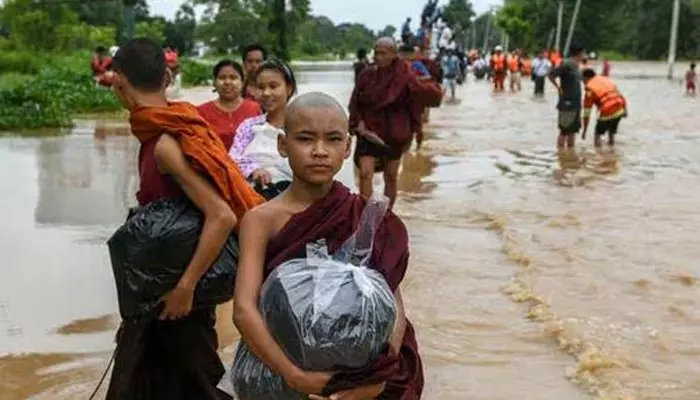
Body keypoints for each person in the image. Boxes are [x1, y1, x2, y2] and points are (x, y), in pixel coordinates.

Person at [233, 92, 424, 400]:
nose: (319, 151)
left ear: (348, 147)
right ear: (283, 145)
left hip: (361, 371)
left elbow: (392, 304)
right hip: (283, 369)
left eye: (333, 140)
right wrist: (294, 375)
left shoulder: (367, 216)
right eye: (306, 139)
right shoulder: (260, 219)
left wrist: (378, 375)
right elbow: (243, 310)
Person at [105, 38, 264, 400]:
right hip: (159, 295)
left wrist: (186, 288)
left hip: (181, 297)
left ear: (118, 83)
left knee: (198, 384)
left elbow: (221, 216)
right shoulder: (165, 128)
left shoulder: (166, 142)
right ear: (166, 76)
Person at [349, 37, 423, 206]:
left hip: (394, 133)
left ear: (394, 55)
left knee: (390, 176)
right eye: (376, 53)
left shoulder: (405, 77)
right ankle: (365, 215)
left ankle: (387, 215)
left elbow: (414, 106)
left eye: (383, 53)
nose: (378, 57)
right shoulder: (366, 76)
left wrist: (416, 130)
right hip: (368, 131)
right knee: (365, 173)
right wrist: (356, 123)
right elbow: (355, 101)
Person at [231, 59, 297, 200]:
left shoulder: (303, 126)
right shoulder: (248, 126)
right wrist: (254, 170)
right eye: (261, 87)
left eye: (273, 86)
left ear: (289, 88)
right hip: (252, 196)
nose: (266, 93)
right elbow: (233, 159)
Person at [197, 60, 262, 151]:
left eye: (233, 77)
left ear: (242, 82)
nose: (227, 82)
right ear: (214, 83)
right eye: (222, 78)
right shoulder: (202, 112)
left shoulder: (255, 109)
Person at [549, 44, 586, 149]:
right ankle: (560, 153)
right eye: (584, 53)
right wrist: (558, 88)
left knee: (573, 130)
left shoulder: (578, 65)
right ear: (579, 53)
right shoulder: (566, 64)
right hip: (567, 101)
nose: (584, 55)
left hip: (576, 102)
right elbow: (551, 75)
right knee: (564, 130)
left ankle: (570, 155)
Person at [581, 69, 627, 148]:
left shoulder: (589, 87)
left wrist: (584, 130)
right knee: (611, 132)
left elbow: (587, 111)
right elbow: (620, 95)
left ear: (586, 78)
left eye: (582, 79)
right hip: (619, 108)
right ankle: (611, 151)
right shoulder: (605, 79)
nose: (582, 81)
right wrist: (625, 109)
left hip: (607, 110)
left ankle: (599, 153)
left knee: (597, 134)